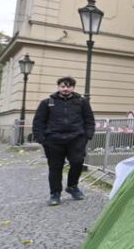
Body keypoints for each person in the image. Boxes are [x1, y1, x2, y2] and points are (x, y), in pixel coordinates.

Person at [32, 76, 95, 206]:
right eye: (62, 86)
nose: (65, 89)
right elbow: (38, 122)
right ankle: (55, 193)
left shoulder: (82, 102)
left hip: (76, 139)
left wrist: (87, 135)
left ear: (73, 87)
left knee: (77, 162)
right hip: (53, 140)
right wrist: (41, 139)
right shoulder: (47, 103)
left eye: (68, 86)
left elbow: (89, 119)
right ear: (58, 87)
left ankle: (72, 186)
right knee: (55, 167)